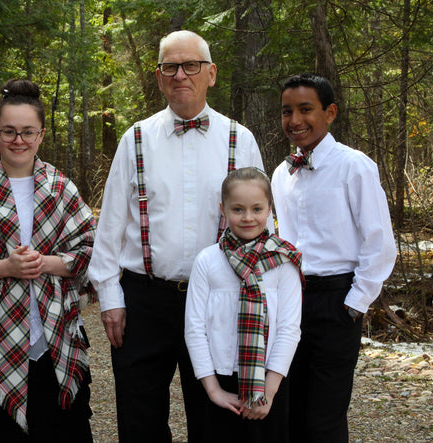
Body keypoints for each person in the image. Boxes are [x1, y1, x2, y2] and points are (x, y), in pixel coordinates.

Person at [88, 30, 264, 442]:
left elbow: (260, 228)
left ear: (212, 73)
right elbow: (110, 226)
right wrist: (110, 299)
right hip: (144, 302)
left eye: (191, 65)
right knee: (139, 418)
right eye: (171, 66)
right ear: (159, 76)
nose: (181, 74)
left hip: (217, 300)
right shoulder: (135, 140)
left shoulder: (241, 140)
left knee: (216, 419)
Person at [0, 79, 97, 442]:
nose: (18, 140)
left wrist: (44, 263)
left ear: (41, 134)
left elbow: (91, 250)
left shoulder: (60, 187)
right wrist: (7, 268)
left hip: (56, 342)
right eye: (9, 131)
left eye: (28, 131)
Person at [271, 73, 397, 442]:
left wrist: (354, 304)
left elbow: (379, 242)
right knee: (289, 407)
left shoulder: (354, 166)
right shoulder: (281, 174)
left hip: (336, 301)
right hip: (291, 301)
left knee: (324, 416)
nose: (295, 120)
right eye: (287, 112)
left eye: (305, 109)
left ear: (330, 113)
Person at [185, 167, 303, 442]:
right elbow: (194, 328)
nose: (248, 217)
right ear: (223, 209)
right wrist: (213, 390)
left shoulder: (284, 261)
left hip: (268, 379)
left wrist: (269, 391)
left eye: (257, 208)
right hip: (219, 380)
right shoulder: (207, 260)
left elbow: (289, 328)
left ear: (269, 209)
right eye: (238, 209)